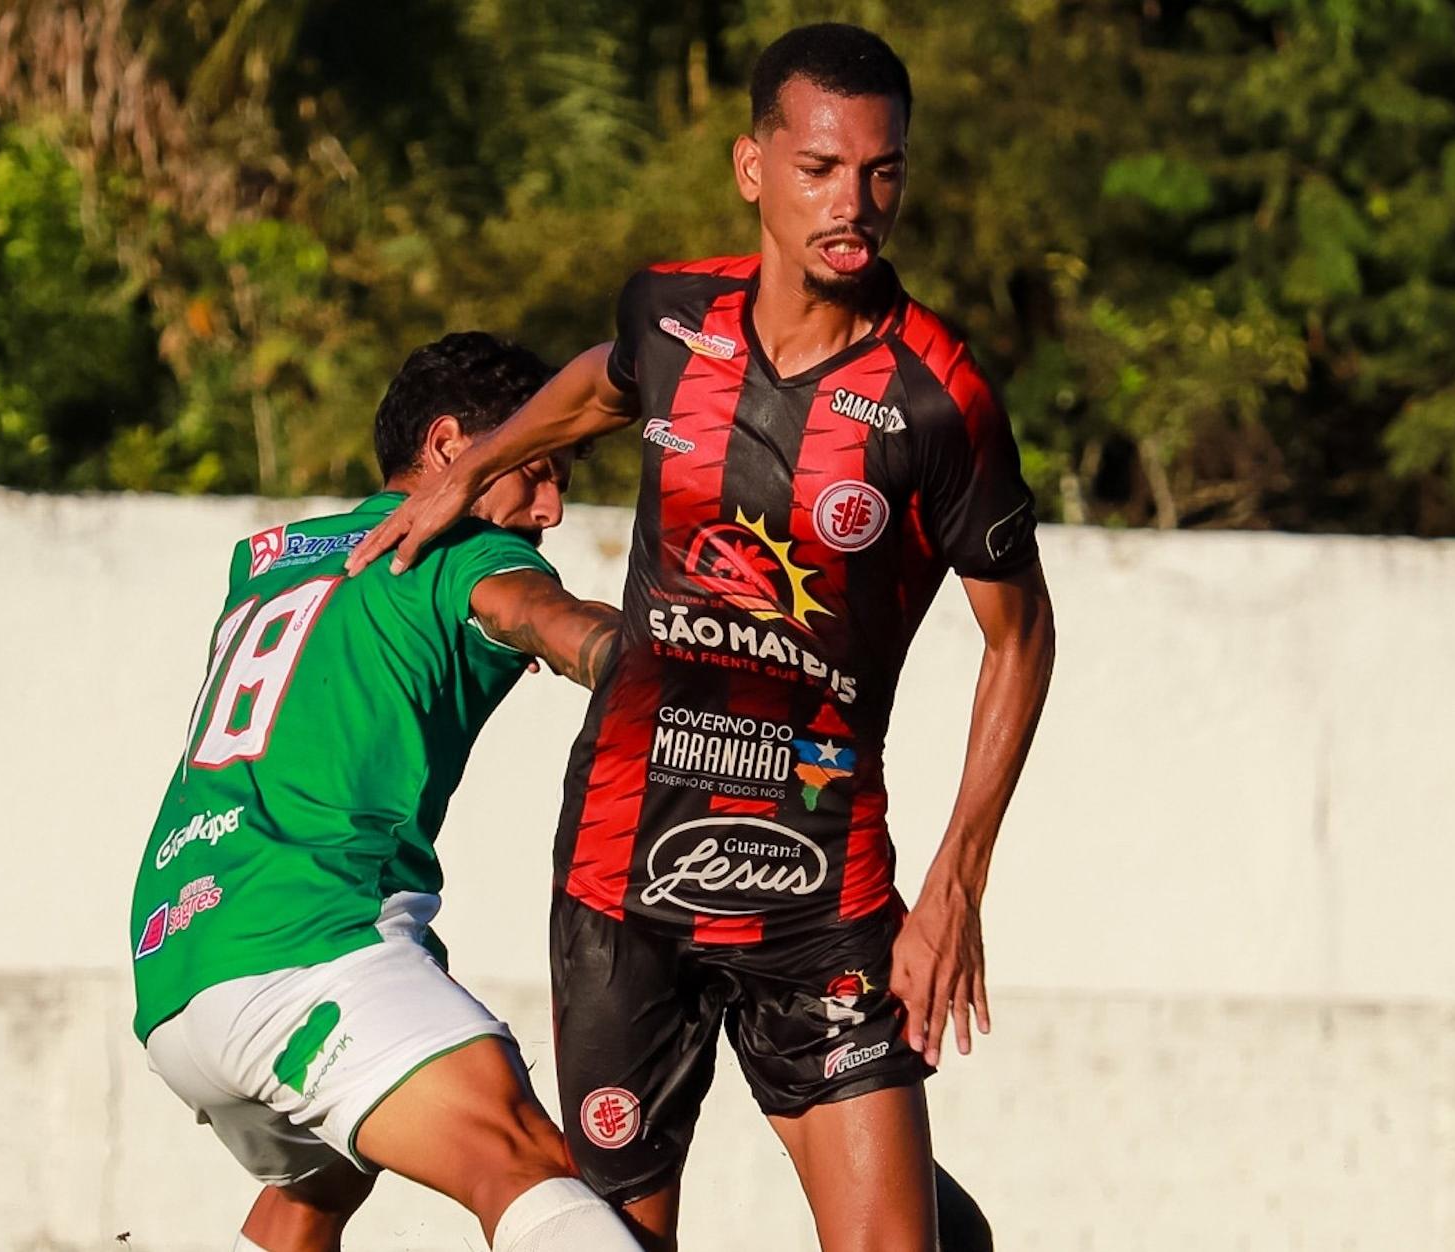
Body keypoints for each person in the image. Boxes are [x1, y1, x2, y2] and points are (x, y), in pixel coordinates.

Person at [347, 24, 1056, 1252]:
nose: (855, 203)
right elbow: (603, 379)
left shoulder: (939, 397)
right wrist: (480, 472)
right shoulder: (674, 317)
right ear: (753, 165)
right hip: (627, 869)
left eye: (882, 172)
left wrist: (956, 884)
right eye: (822, 167)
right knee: (617, 1245)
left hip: (821, 883)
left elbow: (1022, 639)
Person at [127, 332, 643, 1252]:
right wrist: (654, 662)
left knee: (316, 1194)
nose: (553, 509)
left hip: (177, 971)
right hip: (307, 943)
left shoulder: (279, 560)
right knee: (529, 1168)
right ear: (451, 449)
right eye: (538, 469)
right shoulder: (454, 552)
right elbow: (547, 618)